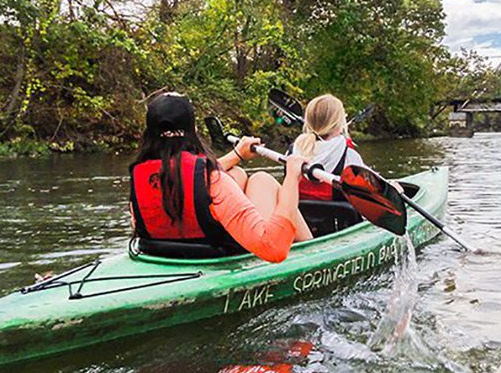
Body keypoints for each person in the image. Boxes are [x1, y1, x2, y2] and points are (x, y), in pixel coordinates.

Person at [129, 93, 312, 263]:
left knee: (236, 174)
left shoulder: (137, 174)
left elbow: (193, 177)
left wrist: (237, 155)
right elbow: (274, 249)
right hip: (214, 253)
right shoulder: (213, 180)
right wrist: (292, 177)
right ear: (193, 129)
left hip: (161, 253)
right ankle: (314, 251)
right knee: (261, 180)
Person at [291, 94, 367, 201]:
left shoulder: (292, 152)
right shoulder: (349, 155)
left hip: (299, 214)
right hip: (340, 215)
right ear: (339, 123)